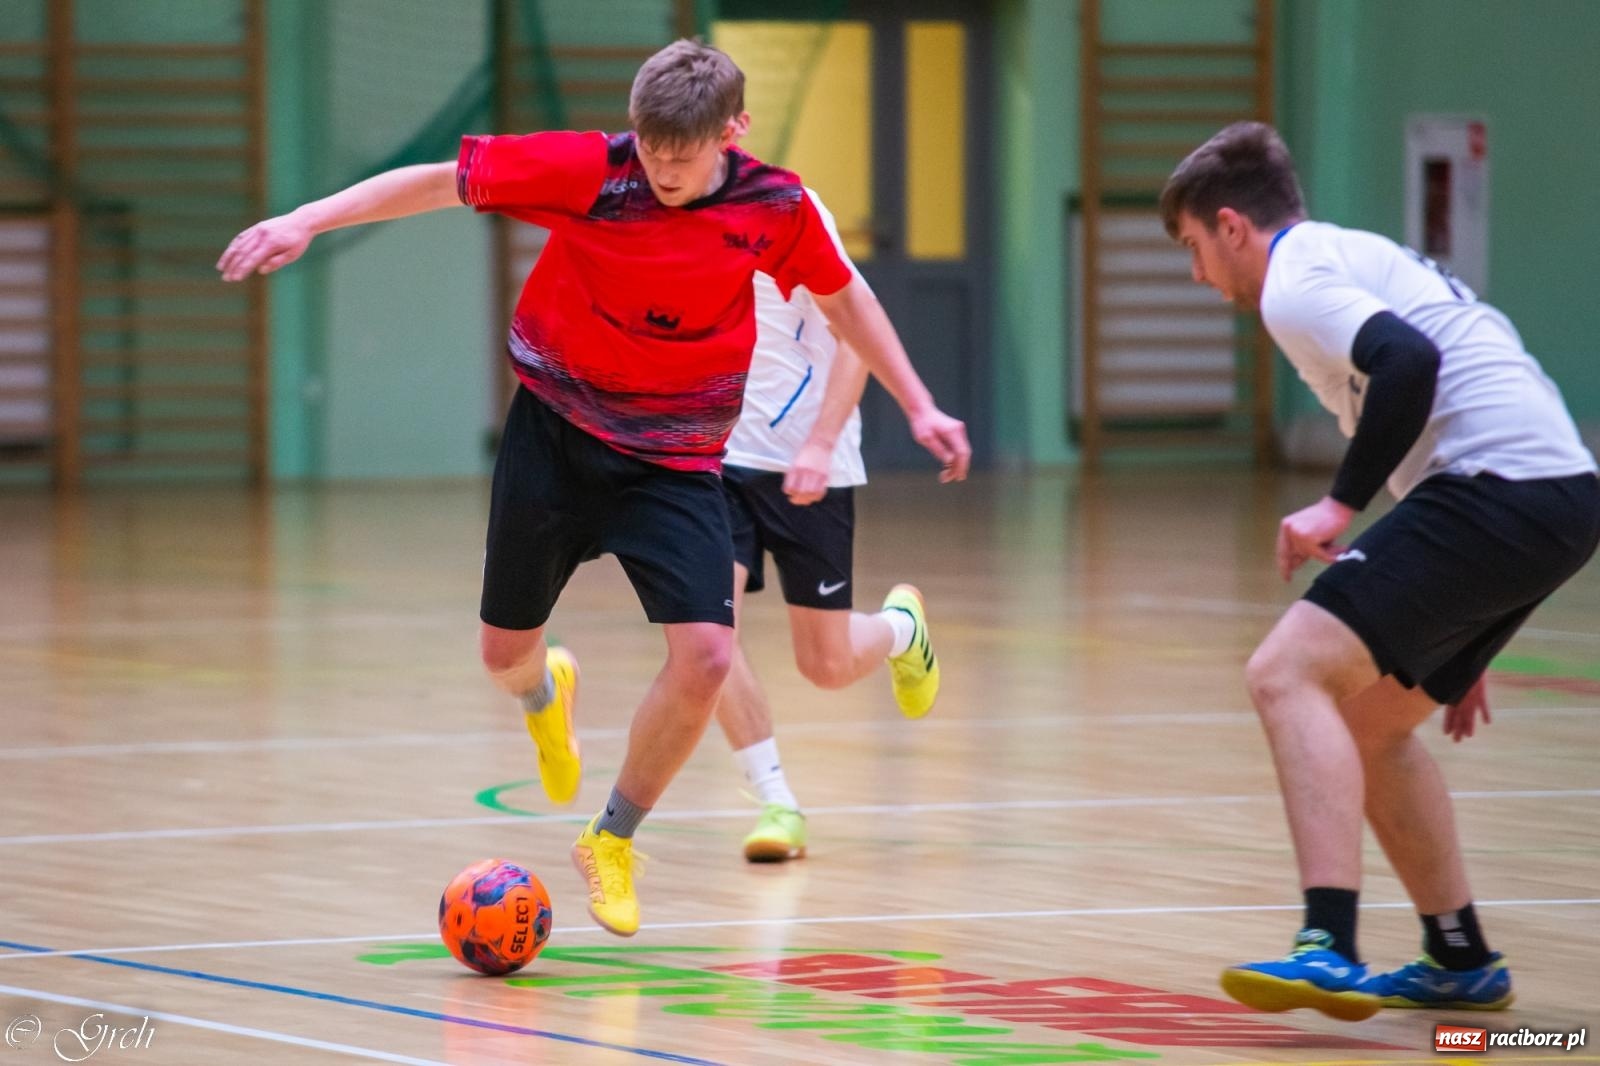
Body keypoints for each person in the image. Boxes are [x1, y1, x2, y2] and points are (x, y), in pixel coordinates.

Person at [217, 39, 970, 937]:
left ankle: (611, 838)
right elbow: (434, 181)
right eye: (649, 148)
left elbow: (850, 305)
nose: (661, 170)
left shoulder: (775, 205)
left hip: (678, 459)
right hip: (557, 437)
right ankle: (546, 695)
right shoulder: (590, 170)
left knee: (708, 655)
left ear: (733, 132)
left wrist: (919, 404)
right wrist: (307, 218)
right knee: (503, 655)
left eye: (681, 157)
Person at [1160, 121, 1599, 1020]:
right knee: (1370, 720)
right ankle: (1460, 957)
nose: (1197, 274)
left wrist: (1337, 505)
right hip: (1556, 494)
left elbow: (1412, 362)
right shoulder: (1342, 256)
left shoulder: (1294, 282)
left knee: (1284, 673)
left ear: (1234, 226)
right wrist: (1459, 639)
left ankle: (1328, 943)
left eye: (1194, 247)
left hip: (1497, 491)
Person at [716, 186, 940, 863]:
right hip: (717, 463)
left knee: (827, 665)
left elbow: (856, 339)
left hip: (808, 465)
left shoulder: (789, 211)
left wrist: (818, 442)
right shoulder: (675, 216)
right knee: (704, 630)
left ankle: (903, 629)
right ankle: (776, 801)